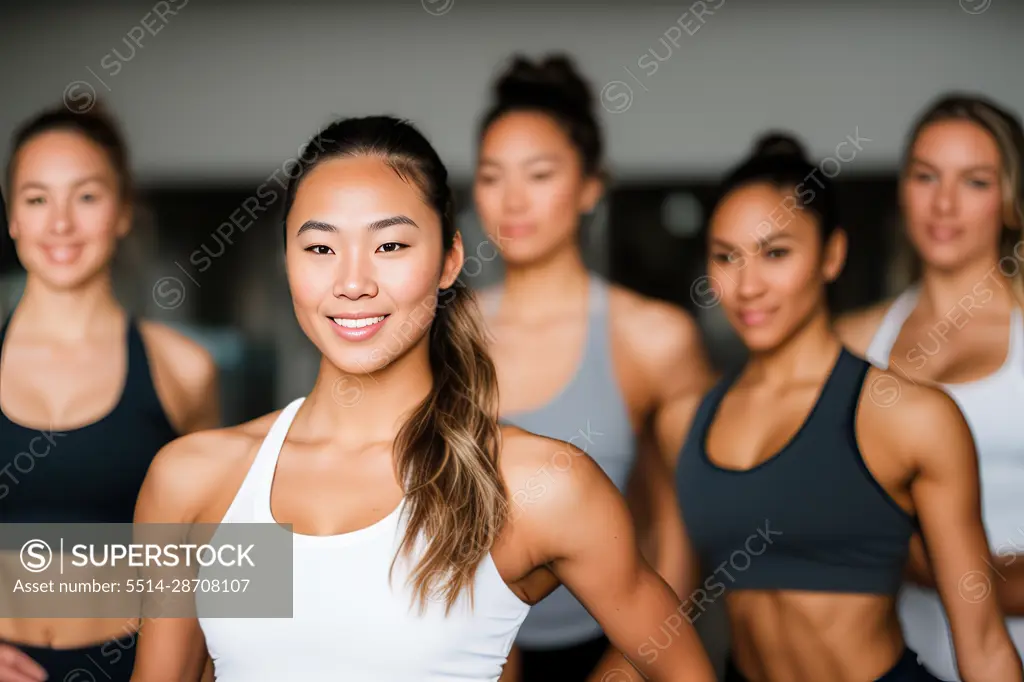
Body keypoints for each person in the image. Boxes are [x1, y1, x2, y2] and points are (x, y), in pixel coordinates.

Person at [128, 115, 718, 682]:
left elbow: (679, 667)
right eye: (319, 249)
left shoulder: (534, 484)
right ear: (287, 261)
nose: (353, 283)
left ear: (450, 259)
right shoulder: (200, 483)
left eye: (389, 246)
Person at [654, 132, 1023, 681]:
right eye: (726, 257)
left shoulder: (912, 418)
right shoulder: (683, 421)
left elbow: (984, 643)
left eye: (776, 253)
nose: (747, 284)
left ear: (832, 255)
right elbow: (661, 616)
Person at [473, 53, 713, 682]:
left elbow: (684, 524)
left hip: (610, 645)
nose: (513, 200)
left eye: (540, 174)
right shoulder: (438, 333)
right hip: (463, 652)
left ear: (590, 186)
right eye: (492, 176)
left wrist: (631, 663)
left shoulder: (653, 337)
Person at [0, 103, 220, 681]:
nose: (60, 224)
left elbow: (215, 554)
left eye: (87, 197)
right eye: (37, 198)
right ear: (12, 217)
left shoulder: (184, 368)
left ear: (123, 212)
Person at [836, 93, 1024, 680]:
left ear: (1012, 201)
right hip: (893, 658)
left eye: (974, 181)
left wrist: (956, 572)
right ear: (902, 189)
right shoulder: (851, 339)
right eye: (925, 176)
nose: (943, 203)